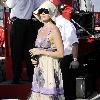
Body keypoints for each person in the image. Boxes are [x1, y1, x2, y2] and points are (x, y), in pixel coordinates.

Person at [0, 0, 48, 84]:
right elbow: (41, 3)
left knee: (16, 51)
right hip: (29, 24)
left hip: (18, 24)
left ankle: (16, 77)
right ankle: (31, 76)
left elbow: (7, 5)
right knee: (29, 51)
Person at [28, 1, 65, 100]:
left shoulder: (54, 30)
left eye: (45, 11)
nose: (43, 13)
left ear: (51, 13)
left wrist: (40, 52)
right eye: (41, 11)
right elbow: (39, 50)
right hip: (40, 69)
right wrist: (35, 59)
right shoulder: (40, 30)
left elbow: (61, 53)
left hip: (50, 68)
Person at [55, 3, 79, 100]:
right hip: (58, 58)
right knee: (63, 87)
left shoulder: (66, 24)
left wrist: (75, 59)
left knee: (67, 87)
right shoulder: (54, 24)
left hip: (65, 59)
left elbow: (74, 42)